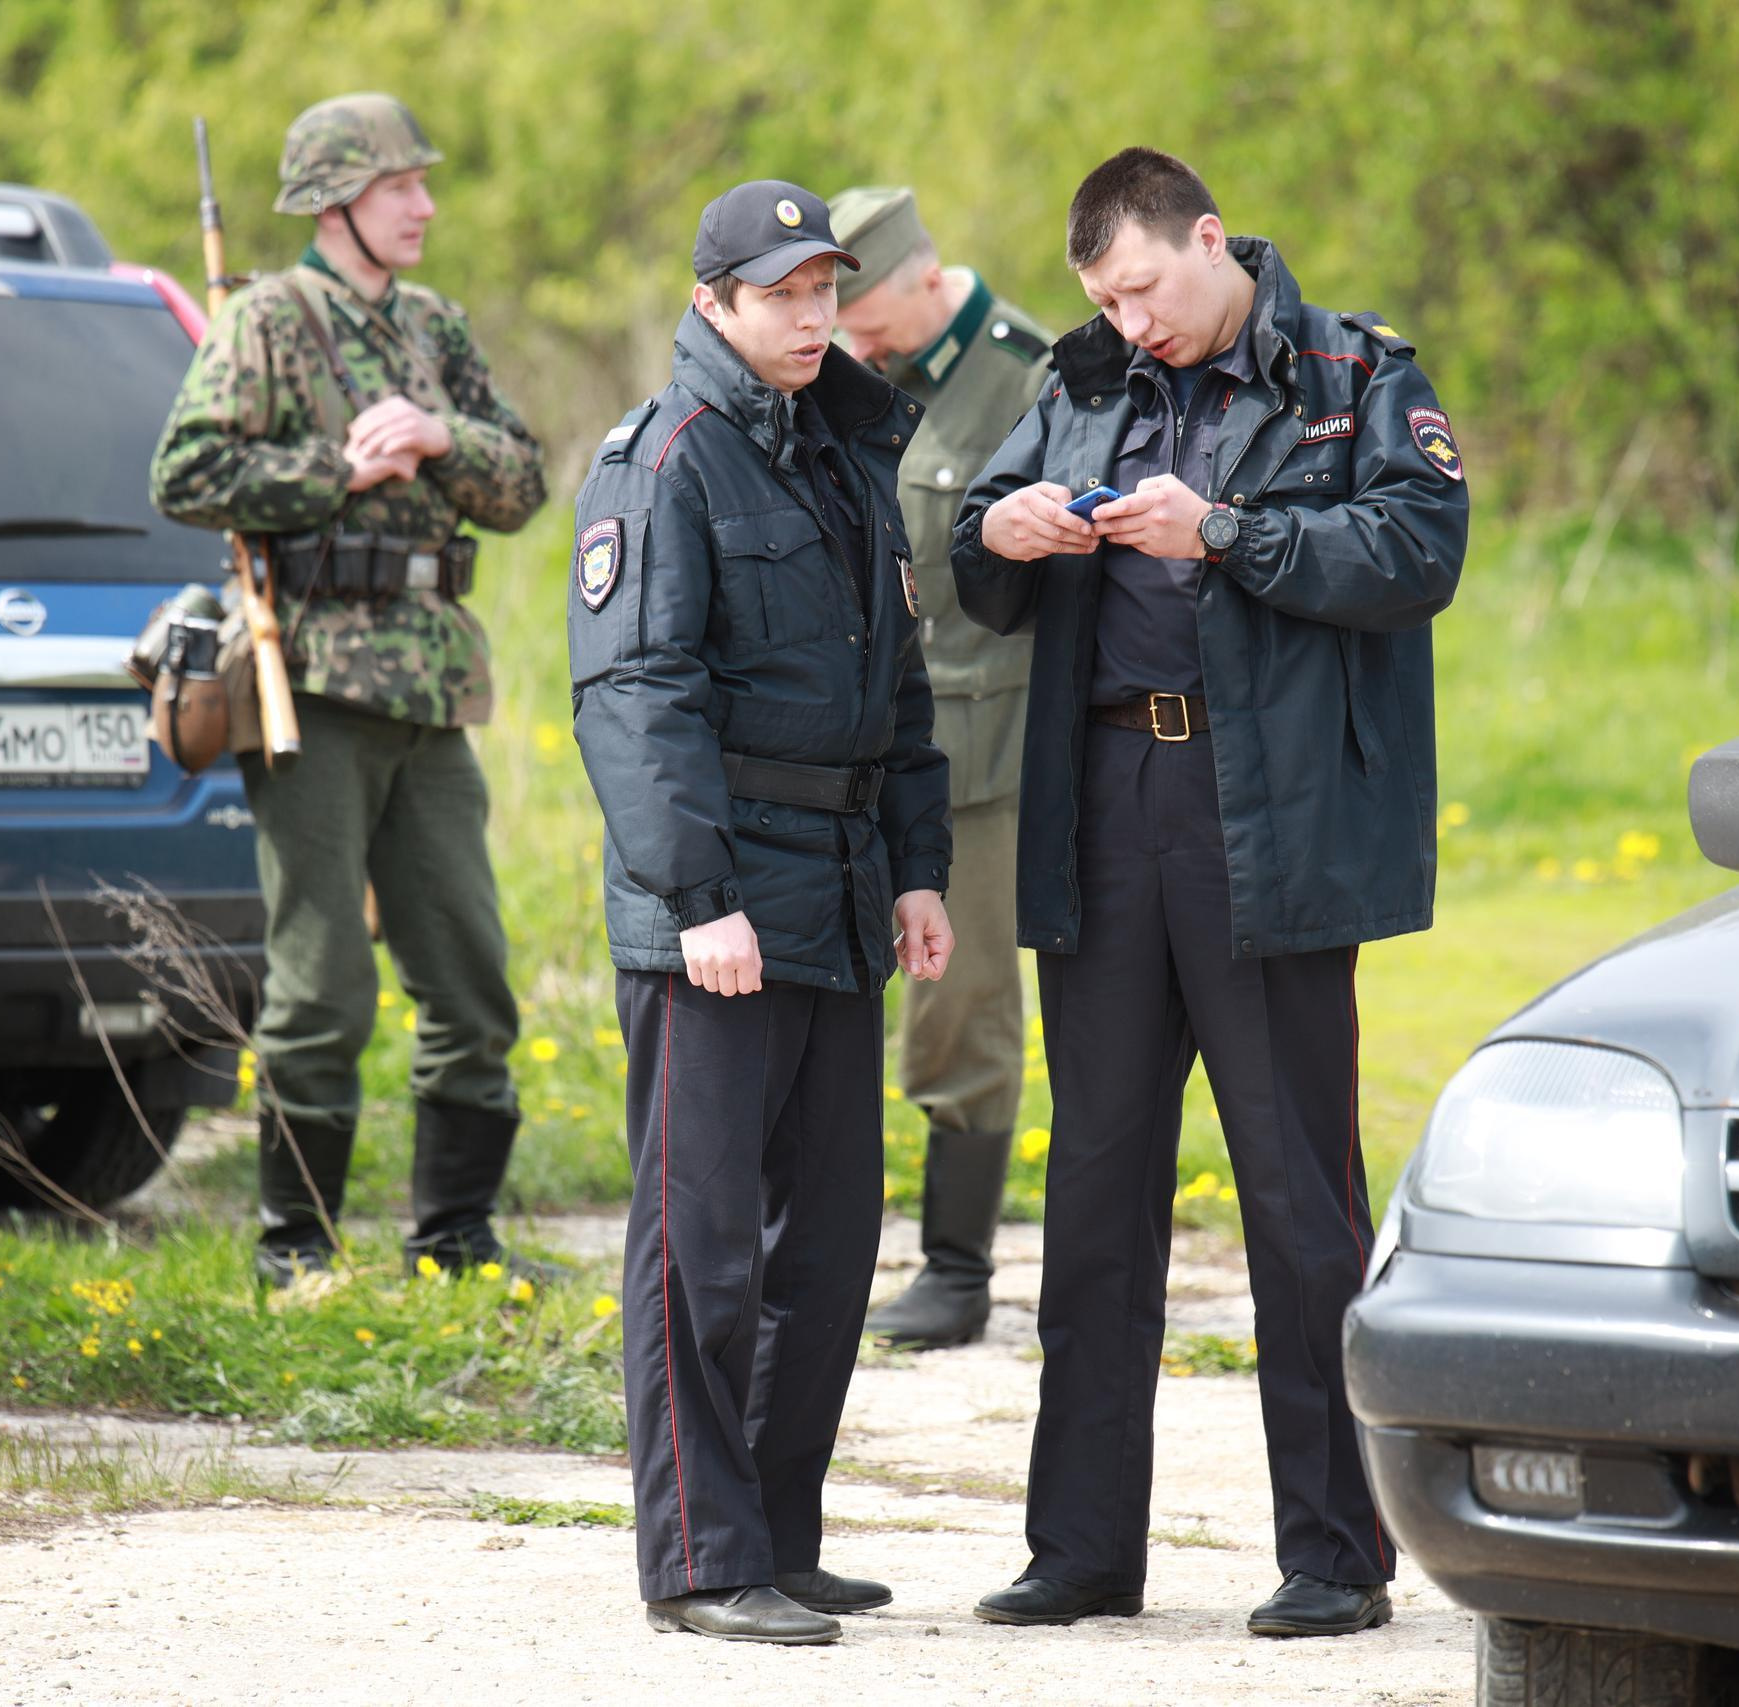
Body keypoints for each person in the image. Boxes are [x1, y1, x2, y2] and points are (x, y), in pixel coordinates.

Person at [950, 148, 1468, 1639]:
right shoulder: (1084, 378)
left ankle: (1331, 1550)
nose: (1129, 318)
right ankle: (1083, 1547)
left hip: (1270, 822)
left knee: (1299, 1196)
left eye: (1142, 286)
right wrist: (1005, 526)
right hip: (1106, 811)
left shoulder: (1351, 372)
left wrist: (1227, 532)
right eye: (1104, 298)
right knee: (1096, 1189)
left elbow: (1418, 548)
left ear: (1209, 239)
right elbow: (978, 551)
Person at [568, 181, 954, 1646]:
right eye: (782, 293)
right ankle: (699, 1556)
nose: (811, 315)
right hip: (719, 910)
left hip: (844, 892)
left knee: (830, 1240)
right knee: (702, 1241)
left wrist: (920, 867)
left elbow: (897, 691)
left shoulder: (843, 449)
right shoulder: (664, 460)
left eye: (824, 289)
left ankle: (778, 1533)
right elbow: (633, 698)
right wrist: (695, 898)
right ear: (715, 300)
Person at [148, 93, 549, 1286]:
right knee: (322, 992)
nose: (423, 204)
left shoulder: (435, 327)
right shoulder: (268, 321)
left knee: (471, 983)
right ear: (334, 204)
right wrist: (336, 467)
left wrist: (438, 439)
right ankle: (295, 1252)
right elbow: (186, 469)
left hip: (432, 692)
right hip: (310, 687)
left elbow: (522, 481)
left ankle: (455, 1243)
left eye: (421, 183)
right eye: (396, 187)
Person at [828, 186, 1051, 1351]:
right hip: (845, 746)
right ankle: (817, 1243)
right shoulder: (853, 370)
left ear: (924, 277)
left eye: (864, 322)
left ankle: (955, 1268)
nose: (850, 348)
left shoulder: (1030, 377)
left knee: (958, 1005)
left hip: (975, 752)